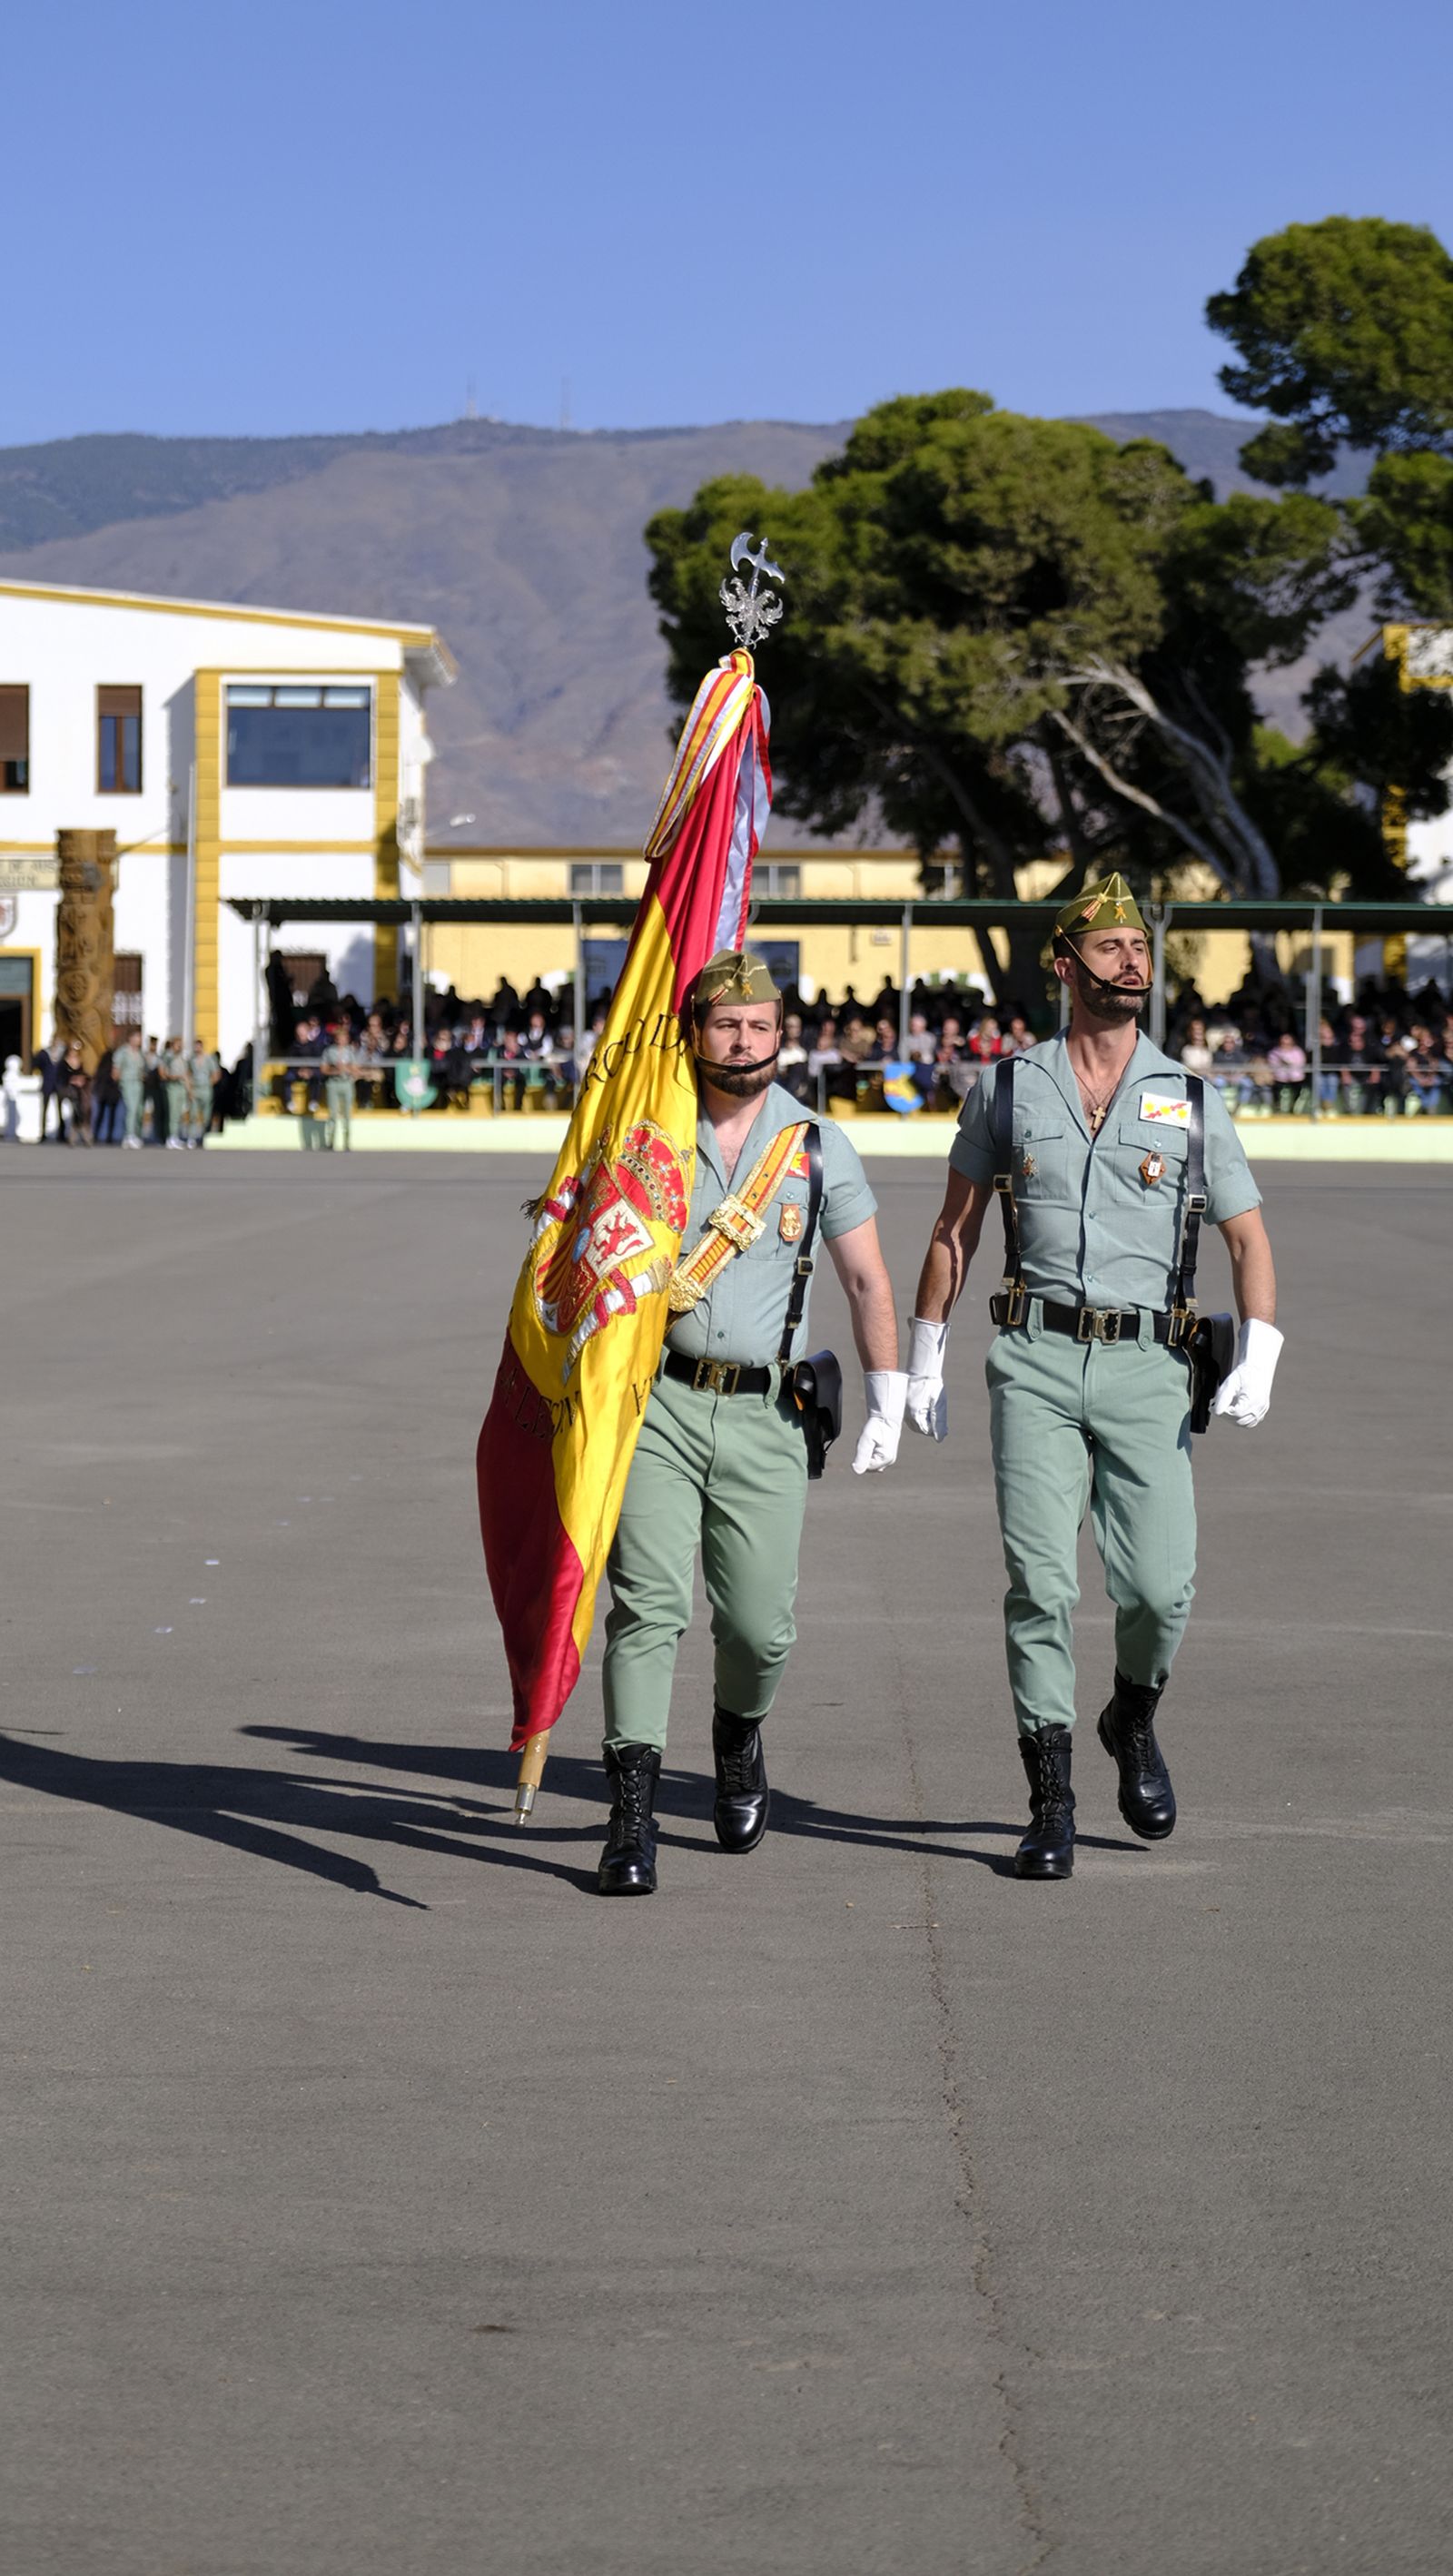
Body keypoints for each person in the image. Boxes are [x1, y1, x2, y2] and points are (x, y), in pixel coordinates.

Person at [904, 876, 1281, 1881]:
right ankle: (1051, 1801)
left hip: (1149, 1364)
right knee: (1040, 1582)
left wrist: (1262, 1352)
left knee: (1160, 1587)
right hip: (1030, 1358)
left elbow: (1246, 1235)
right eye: (1108, 946)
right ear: (1064, 964)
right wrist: (925, 1348)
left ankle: (1132, 1711)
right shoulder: (1008, 1085)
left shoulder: (1191, 1099)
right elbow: (956, 1228)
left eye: (1139, 947)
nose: (1131, 960)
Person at [596, 950, 905, 1900]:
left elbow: (864, 1276)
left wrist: (887, 1389)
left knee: (761, 1628)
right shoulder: (644, 1134)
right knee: (650, 1610)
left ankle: (737, 1733)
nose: (744, 1040)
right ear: (694, 1033)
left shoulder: (815, 1144)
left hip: (768, 1411)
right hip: (656, 1403)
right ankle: (633, 1817)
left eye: (761, 1025)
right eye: (726, 1024)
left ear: (782, 1035)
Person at [321, 1023, 360, 1149]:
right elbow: (324, 1069)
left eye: (344, 1037)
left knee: (347, 1113)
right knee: (332, 1113)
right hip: (334, 1083)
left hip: (346, 1083)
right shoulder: (329, 1051)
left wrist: (346, 1068)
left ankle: (347, 1141)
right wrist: (335, 1070)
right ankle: (330, 1141)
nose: (342, 1040)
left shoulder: (350, 1052)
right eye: (339, 1037)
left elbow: (355, 1069)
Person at [186, 1037, 219, 1147]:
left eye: (198, 1046)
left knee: (206, 1115)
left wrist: (209, 1083)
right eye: (195, 1046)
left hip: (206, 1089)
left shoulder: (209, 1059)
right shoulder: (192, 1059)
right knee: (193, 1114)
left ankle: (205, 1136)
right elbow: (188, 1074)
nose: (197, 1048)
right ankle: (192, 1137)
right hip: (195, 1089)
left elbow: (216, 1074)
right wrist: (189, 1089)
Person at [116, 1031, 146, 1148]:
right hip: (127, 1083)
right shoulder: (123, 1052)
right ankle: (129, 1136)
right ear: (131, 1038)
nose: (139, 1040)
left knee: (138, 1110)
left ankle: (135, 1134)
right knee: (131, 1109)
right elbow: (116, 1069)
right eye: (137, 1037)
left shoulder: (139, 1053)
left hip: (138, 1083)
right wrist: (119, 1082)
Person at [161, 1036, 190, 1150]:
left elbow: (186, 1074)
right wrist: (174, 1077)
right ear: (173, 1044)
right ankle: (171, 1137)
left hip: (181, 1088)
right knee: (173, 1114)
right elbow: (163, 1072)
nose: (181, 1046)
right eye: (179, 1044)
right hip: (172, 1087)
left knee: (179, 1114)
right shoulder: (168, 1056)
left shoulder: (182, 1057)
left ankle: (175, 1136)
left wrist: (189, 1090)